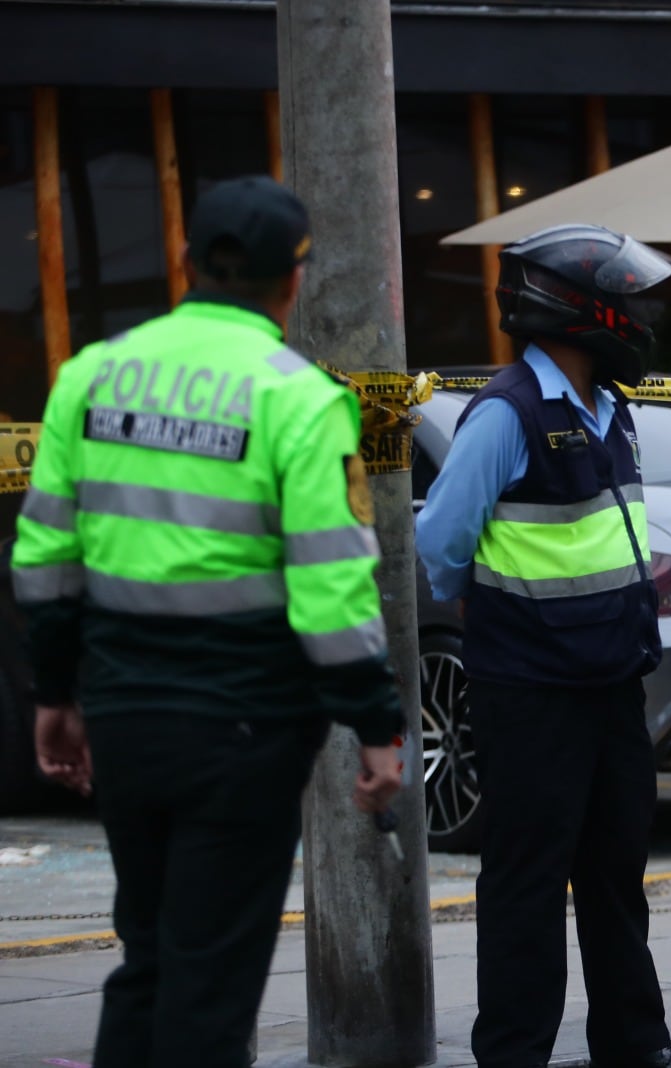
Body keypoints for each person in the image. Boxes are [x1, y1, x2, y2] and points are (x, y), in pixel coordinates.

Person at [11, 175, 405, 1068]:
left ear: (186, 261)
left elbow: (43, 558)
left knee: (146, 960)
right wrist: (376, 725)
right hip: (244, 730)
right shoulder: (300, 398)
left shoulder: (92, 373)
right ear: (293, 280)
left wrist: (56, 693)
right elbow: (331, 589)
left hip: (123, 719)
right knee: (210, 982)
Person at [414, 224, 671, 1068]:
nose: (644, 317)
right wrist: (509, 613)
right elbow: (440, 541)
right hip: (530, 691)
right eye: (632, 302)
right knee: (526, 890)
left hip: (611, 683)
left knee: (615, 884)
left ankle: (636, 1050)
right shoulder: (506, 413)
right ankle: (513, 1056)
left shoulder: (609, 406)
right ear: (578, 311)